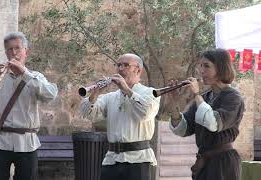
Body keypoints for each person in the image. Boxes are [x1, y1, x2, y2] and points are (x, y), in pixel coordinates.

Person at [0, 32, 58, 180]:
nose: (13, 53)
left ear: (26, 51)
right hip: (0, 142)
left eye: (17, 48)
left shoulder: (36, 77)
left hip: (27, 144)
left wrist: (25, 74)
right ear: (5, 52)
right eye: (9, 49)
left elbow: (51, 95)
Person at [80, 53, 160, 180]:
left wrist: (127, 90)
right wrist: (95, 93)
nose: (120, 69)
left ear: (138, 70)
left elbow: (145, 113)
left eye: (126, 65)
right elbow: (87, 114)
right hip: (112, 160)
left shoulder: (150, 93)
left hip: (139, 160)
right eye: (118, 65)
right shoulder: (111, 97)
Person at [168, 48, 244, 180]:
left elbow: (213, 123)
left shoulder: (233, 97)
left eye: (207, 66)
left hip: (223, 163)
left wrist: (196, 94)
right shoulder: (205, 97)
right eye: (201, 66)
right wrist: (174, 102)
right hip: (204, 161)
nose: (201, 71)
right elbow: (183, 129)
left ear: (220, 68)